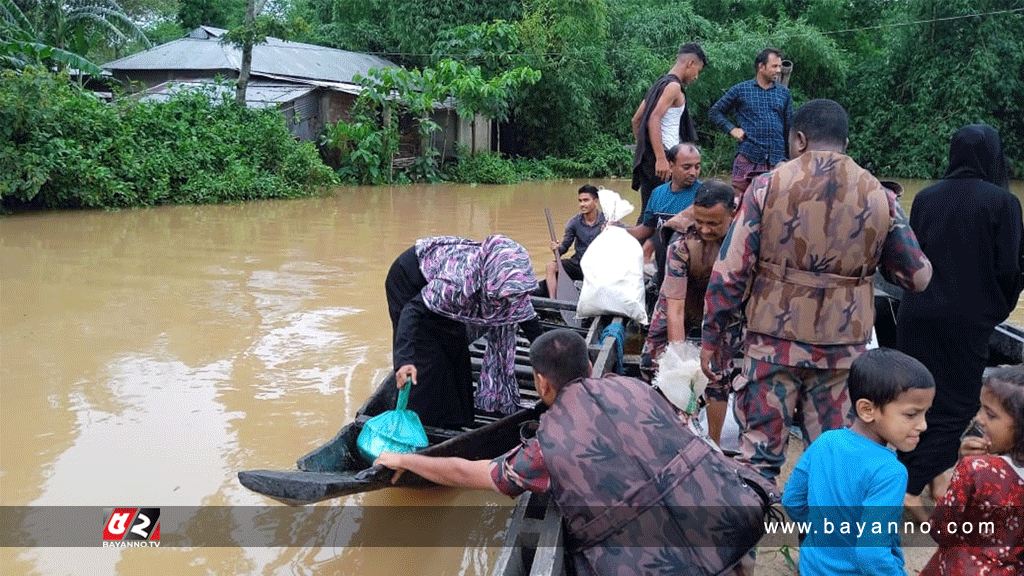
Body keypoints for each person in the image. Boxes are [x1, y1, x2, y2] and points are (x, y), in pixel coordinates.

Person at [376, 329, 773, 576]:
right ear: (589, 365)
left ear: (541, 383)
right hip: (734, 522)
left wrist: (406, 460)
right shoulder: (637, 389)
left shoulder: (545, 446)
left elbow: (476, 474)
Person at [700, 99, 933, 481]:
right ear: (845, 141)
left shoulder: (766, 187)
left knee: (757, 464)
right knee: (832, 468)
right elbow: (917, 277)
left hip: (771, 346)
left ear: (800, 139)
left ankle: (751, 533)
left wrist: (714, 341)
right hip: (843, 355)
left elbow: (729, 274)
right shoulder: (881, 195)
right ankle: (823, 540)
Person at [895, 124, 1024, 513]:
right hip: (964, 322)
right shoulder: (1002, 202)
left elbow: (911, 258)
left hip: (916, 315)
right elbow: (1009, 269)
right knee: (958, 406)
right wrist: (995, 308)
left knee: (916, 401)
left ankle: (933, 481)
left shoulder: (927, 199)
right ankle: (911, 488)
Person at [782, 348, 935, 576]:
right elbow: (871, 553)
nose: (923, 425)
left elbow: (792, 500)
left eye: (925, 413)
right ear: (867, 410)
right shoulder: (890, 472)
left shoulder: (826, 441)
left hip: (811, 567)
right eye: (912, 415)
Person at [385, 235, 543, 428]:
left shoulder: (510, 285)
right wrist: (404, 360)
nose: (511, 302)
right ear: (490, 284)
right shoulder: (458, 285)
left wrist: (552, 364)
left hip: (442, 286)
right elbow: (411, 312)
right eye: (506, 296)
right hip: (408, 281)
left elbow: (531, 325)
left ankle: (457, 420)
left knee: (456, 346)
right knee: (426, 357)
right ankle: (416, 426)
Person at [640, 180, 736, 443]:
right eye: (700, 220)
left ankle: (714, 444)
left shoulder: (744, 240)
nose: (704, 229)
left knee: (717, 372)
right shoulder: (681, 242)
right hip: (680, 294)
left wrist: (710, 347)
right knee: (652, 361)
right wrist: (679, 366)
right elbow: (675, 307)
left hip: (720, 301)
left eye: (714, 224)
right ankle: (665, 428)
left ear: (733, 213)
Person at [920, 365, 1024, 576]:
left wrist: (962, 468)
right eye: (981, 408)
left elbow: (940, 528)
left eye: (991, 414)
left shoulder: (977, 470)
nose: (978, 418)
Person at [631, 43, 707, 222]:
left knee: (649, 213)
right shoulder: (673, 87)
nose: (696, 76)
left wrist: (647, 151)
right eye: (698, 70)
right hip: (665, 159)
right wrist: (661, 158)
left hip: (651, 160)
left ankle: (642, 249)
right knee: (665, 213)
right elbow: (653, 118)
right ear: (689, 63)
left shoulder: (659, 84)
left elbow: (636, 120)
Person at [709, 47, 793, 201]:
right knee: (738, 202)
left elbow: (789, 127)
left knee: (776, 205)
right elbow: (715, 112)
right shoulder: (741, 90)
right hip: (748, 155)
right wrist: (732, 129)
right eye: (774, 66)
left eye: (780, 66)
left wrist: (789, 159)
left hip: (777, 160)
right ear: (761, 67)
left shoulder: (784, 93)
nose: (779, 70)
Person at [545, 184, 606, 298]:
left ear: (596, 201)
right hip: (578, 264)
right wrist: (557, 248)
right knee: (551, 266)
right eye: (580, 201)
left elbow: (626, 236)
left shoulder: (607, 220)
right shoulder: (574, 222)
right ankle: (553, 301)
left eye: (586, 200)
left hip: (600, 267)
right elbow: (564, 248)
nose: (582, 204)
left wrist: (610, 232)